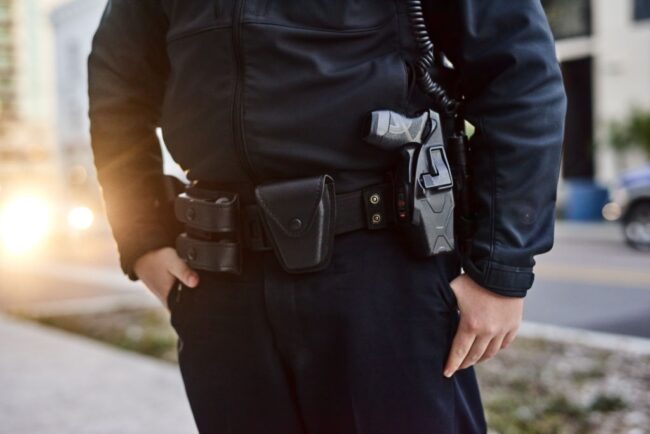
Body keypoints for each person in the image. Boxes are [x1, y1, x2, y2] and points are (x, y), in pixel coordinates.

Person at [87, 0, 566, 432]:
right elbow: (117, 85)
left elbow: (520, 75)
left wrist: (501, 268)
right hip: (222, 286)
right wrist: (143, 236)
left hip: (382, 274)